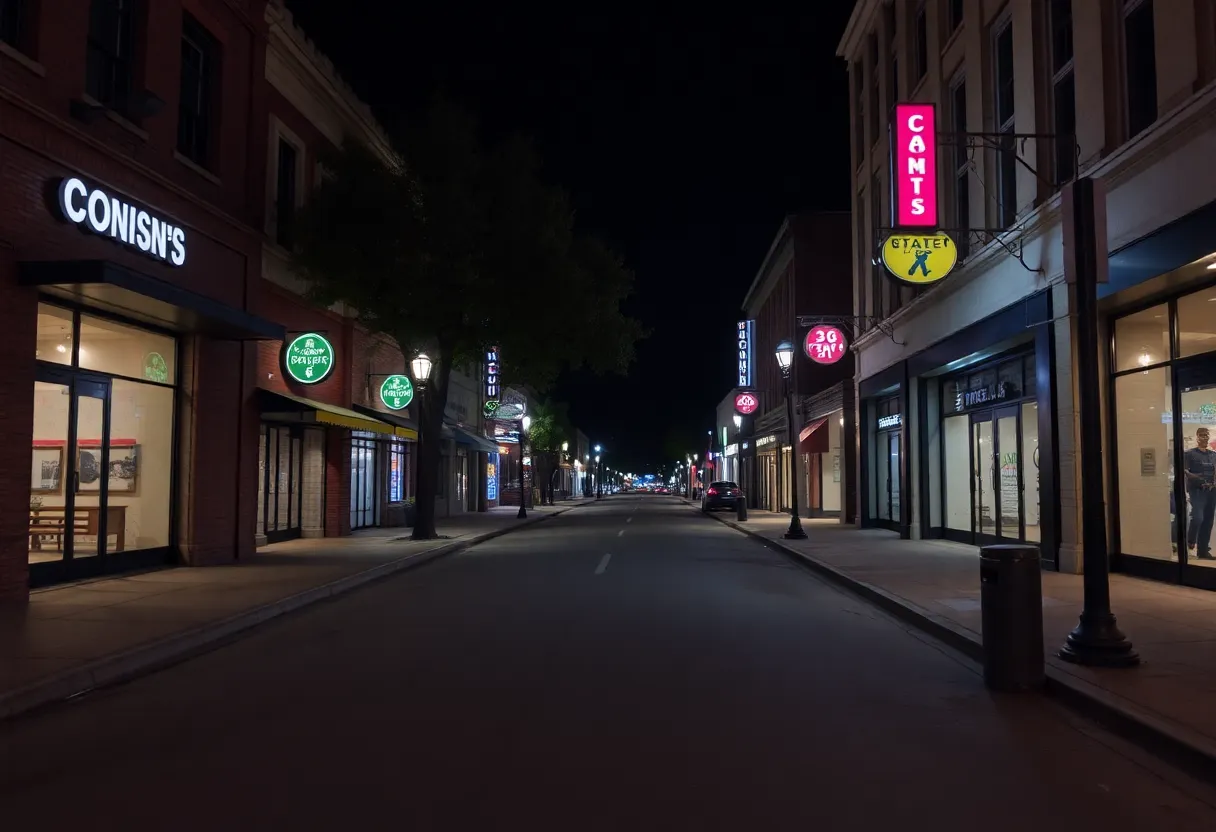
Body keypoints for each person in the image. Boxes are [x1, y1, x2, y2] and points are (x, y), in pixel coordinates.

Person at [1184, 427, 1216, 560]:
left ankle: (1203, 551)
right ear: (1196, 437)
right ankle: (1190, 541)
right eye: (1201, 435)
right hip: (1197, 490)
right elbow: (1184, 470)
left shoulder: (1213, 455)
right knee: (1198, 517)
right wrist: (1197, 478)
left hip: (1212, 491)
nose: (1204, 437)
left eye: (1206, 435)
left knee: (1208, 521)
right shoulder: (1189, 454)